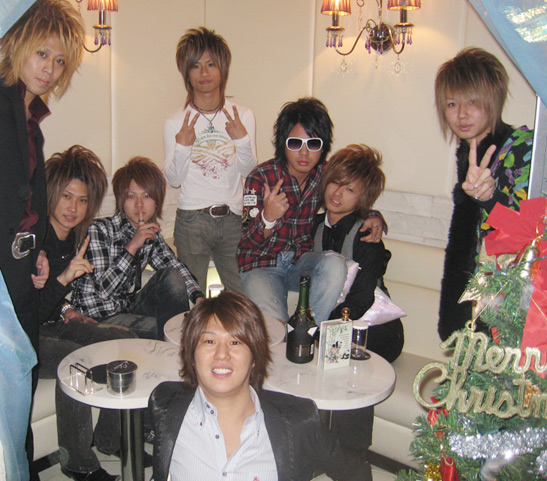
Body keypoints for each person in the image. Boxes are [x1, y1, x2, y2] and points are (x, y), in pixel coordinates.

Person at [0, 2, 84, 481]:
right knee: (1, 392)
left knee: (21, 382)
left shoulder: (31, 119)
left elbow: (28, 196)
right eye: (42, 53)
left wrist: (40, 246)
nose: (50, 68)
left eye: (60, 61)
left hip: (22, 267)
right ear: (18, 44)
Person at [142, 292, 370, 481]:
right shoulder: (166, 405)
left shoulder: (297, 423)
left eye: (235, 342)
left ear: (254, 357)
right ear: (191, 354)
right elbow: (167, 457)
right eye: (209, 341)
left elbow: (357, 474)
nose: (222, 354)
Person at [35, 145, 139, 481]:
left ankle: (110, 438)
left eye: (82, 200)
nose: (73, 208)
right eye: (66, 196)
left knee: (125, 341)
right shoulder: (34, 241)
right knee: (74, 361)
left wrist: (66, 309)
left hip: (52, 322)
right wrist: (64, 279)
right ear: (51, 193)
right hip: (24, 335)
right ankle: (76, 461)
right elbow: (28, 309)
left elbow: (50, 301)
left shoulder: (73, 238)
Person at [435, 47, 533, 340]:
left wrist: (490, 199)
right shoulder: (468, 153)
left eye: (473, 102)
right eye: (452, 104)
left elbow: (532, 232)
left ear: (493, 100)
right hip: (476, 300)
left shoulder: (521, 148)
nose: (461, 114)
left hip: (509, 304)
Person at [164, 27, 257, 294]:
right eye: (196, 66)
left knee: (241, 296)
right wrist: (183, 145)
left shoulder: (242, 115)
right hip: (192, 219)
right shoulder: (175, 121)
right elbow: (173, 179)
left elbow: (250, 171)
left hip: (233, 218)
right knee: (193, 298)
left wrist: (241, 140)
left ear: (222, 69)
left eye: (211, 64)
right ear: (186, 73)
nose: (204, 73)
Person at [237, 97, 346, 325]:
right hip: (261, 265)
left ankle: (307, 331)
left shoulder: (325, 175)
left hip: (300, 263)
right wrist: (268, 218)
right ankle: (288, 336)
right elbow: (247, 244)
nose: (304, 153)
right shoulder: (261, 177)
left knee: (335, 264)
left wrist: (372, 216)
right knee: (275, 331)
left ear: (323, 146)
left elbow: (353, 193)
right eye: (295, 143)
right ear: (283, 144)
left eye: (313, 144)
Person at [71, 157, 204, 339]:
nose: (139, 205)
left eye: (147, 196)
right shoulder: (99, 230)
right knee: (170, 330)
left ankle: (178, 339)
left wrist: (198, 297)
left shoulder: (150, 234)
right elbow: (104, 291)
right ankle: (178, 344)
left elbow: (175, 267)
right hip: (97, 318)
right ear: (121, 200)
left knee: (171, 275)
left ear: (157, 201)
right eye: (131, 196)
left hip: (127, 308)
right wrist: (133, 246)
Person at [312, 144, 404, 363]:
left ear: (363, 198)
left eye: (350, 190)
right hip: (330, 322)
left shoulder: (367, 237)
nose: (338, 193)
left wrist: (319, 329)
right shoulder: (314, 226)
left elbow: (361, 299)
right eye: (335, 182)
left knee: (321, 348)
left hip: (373, 328)